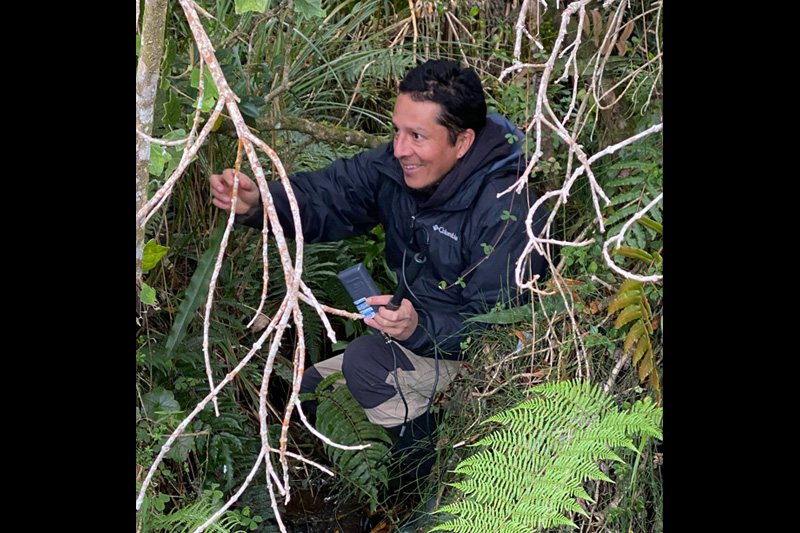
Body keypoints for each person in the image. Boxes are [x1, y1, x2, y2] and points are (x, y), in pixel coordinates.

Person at [210, 59, 548, 473]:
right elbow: (331, 194)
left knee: (365, 363)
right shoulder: (398, 166)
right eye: (397, 131)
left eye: (417, 136)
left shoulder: (507, 208)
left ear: (462, 142)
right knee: (314, 390)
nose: (401, 148)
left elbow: (498, 330)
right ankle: (372, 482)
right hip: (413, 332)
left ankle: (435, 482)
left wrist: (418, 328)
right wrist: (260, 202)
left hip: (469, 357)